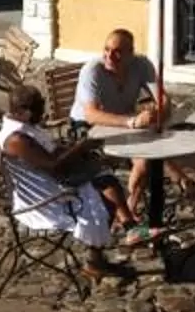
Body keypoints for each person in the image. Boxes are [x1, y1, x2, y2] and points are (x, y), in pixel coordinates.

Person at [0, 85, 129, 280]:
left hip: (51, 184)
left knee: (106, 178)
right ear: (25, 112)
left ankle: (124, 229)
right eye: (39, 109)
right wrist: (81, 147)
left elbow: (50, 151)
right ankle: (97, 260)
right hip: (44, 203)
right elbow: (52, 165)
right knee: (104, 198)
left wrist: (76, 150)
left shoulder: (26, 128)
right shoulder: (16, 139)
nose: (43, 114)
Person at [73, 26, 171, 218]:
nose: (110, 56)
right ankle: (126, 214)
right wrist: (132, 122)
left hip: (123, 124)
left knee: (147, 159)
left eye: (117, 52)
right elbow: (91, 114)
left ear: (130, 54)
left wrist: (158, 114)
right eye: (107, 49)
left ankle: (130, 208)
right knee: (153, 155)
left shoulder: (141, 65)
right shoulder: (92, 71)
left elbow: (164, 99)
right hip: (88, 127)